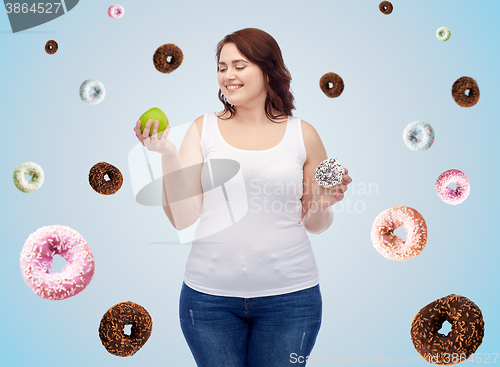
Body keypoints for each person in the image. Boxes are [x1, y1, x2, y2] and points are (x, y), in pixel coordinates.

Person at [133, 28, 352, 367]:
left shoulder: (302, 133)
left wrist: (322, 204)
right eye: (222, 67)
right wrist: (166, 153)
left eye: (239, 65)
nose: (228, 76)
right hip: (207, 302)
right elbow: (183, 217)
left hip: (291, 300)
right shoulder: (202, 129)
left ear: (268, 70)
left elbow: (315, 224)